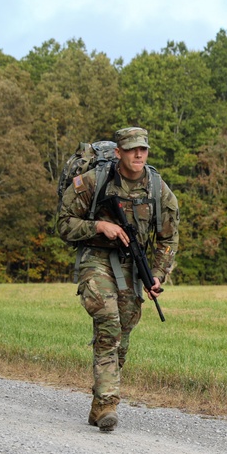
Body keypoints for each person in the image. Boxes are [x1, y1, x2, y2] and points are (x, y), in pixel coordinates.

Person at [57, 126, 179, 432]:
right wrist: (98, 227)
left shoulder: (157, 187)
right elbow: (64, 225)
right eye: (132, 149)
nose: (139, 154)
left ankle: (99, 405)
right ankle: (110, 402)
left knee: (122, 336)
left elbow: (168, 239)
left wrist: (158, 276)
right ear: (118, 152)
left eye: (144, 149)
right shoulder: (93, 182)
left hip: (131, 266)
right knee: (109, 323)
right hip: (96, 260)